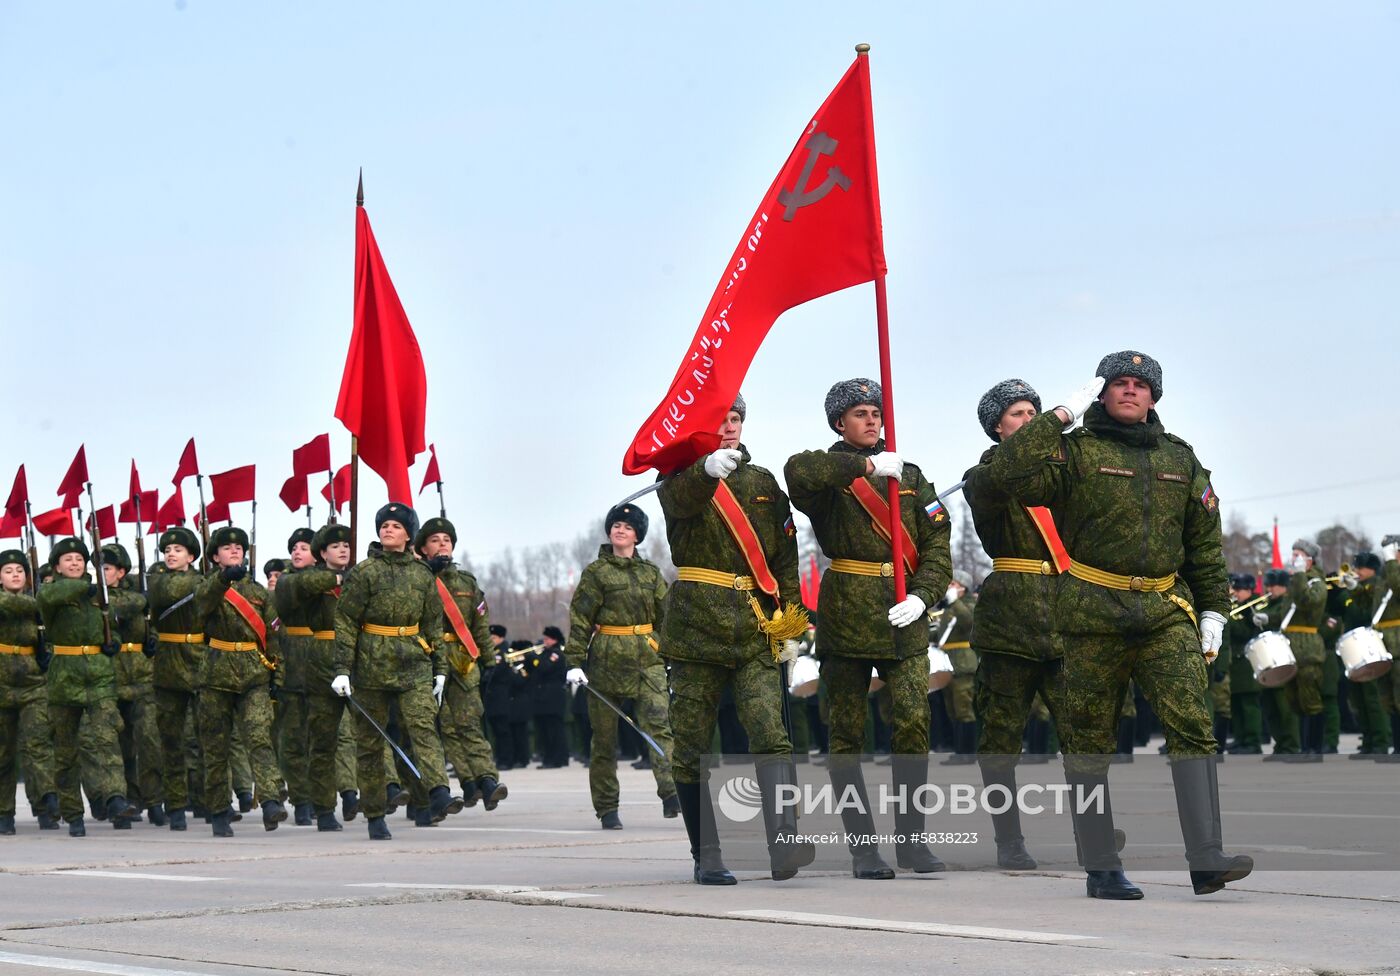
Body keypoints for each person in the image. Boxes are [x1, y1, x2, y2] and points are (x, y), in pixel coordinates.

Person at [992, 351, 1251, 899]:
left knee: (1192, 726)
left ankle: (1207, 859)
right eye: (1118, 384)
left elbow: (1204, 542)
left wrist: (1212, 611)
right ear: (1102, 393)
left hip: (1163, 611)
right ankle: (1102, 866)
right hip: (1092, 613)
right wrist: (1059, 416)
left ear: (1155, 396)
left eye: (1140, 385)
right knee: (1088, 741)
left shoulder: (1181, 458)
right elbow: (1008, 475)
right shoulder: (1075, 452)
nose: (1130, 391)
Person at [783, 378, 952, 878]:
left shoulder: (912, 474)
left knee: (913, 725)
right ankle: (863, 847)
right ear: (839, 423)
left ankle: (912, 840)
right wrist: (866, 466)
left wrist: (924, 595)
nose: (871, 420)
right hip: (848, 614)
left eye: (876, 412)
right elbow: (798, 470)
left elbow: (938, 544)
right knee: (847, 734)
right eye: (859, 413)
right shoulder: (830, 478)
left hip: (904, 615)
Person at [661, 394, 813, 885]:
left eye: (734, 419)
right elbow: (678, 502)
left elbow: (785, 559)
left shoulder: (763, 482)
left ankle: (784, 844)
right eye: (718, 420)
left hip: (753, 627)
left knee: (771, 734)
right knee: (690, 743)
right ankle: (706, 853)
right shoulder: (678, 476)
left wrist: (791, 625)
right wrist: (705, 471)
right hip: (695, 630)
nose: (728, 428)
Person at [963, 378, 1067, 868]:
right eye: (1018, 415)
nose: (1028, 421)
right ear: (996, 430)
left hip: (1068, 615)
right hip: (1011, 623)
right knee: (1002, 737)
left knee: (1085, 734)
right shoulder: (984, 475)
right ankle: (1009, 839)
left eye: (1033, 413)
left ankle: (1096, 831)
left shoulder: (1059, 475)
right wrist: (1053, 426)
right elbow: (1004, 477)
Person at [331, 503, 463, 840]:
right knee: (371, 744)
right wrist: (342, 669)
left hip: (412, 663)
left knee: (423, 728)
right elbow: (345, 621)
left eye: (395, 526)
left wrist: (441, 670)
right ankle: (375, 812)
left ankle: (438, 792)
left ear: (408, 534)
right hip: (371, 665)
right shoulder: (363, 573)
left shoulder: (422, 575)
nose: (388, 530)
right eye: (384, 525)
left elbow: (433, 623)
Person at [565, 502, 677, 829]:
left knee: (661, 728)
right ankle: (607, 808)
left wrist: (671, 658)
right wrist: (574, 661)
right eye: (615, 525)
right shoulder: (596, 573)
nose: (620, 530)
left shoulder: (650, 573)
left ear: (637, 536)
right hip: (606, 661)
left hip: (648, 659)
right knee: (604, 741)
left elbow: (666, 618)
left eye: (627, 527)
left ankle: (672, 794)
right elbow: (581, 618)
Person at [37, 537, 138, 836]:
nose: (75, 563)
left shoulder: (99, 594)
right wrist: (89, 587)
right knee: (66, 751)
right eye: (67, 560)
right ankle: (72, 812)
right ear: (56, 566)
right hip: (64, 678)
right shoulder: (53, 592)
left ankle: (116, 798)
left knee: (107, 739)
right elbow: (51, 597)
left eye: (79, 559)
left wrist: (113, 644)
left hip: (99, 676)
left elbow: (115, 627)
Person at [194, 526, 284, 836]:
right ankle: (219, 808)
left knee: (259, 738)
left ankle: (271, 800)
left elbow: (272, 635)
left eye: (238, 547)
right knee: (216, 746)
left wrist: (277, 674)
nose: (234, 551)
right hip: (216, 673)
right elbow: (202, 605)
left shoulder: (259, 591)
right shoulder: (207, 586)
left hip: (253, 672)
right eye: (226, 547)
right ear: (215, 556)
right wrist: (222, 579)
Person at [416, 516, 507, 816]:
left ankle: (488, 779)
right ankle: (468, 781)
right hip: (430, 658)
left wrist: (488, 659)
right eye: (434, 541)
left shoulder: (467, 581)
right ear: (423, 548)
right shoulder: (418, 579)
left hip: (465, 659)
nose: (442, 545)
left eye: (446, 540)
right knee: (445, 727)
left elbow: (480, 623)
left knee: (469, 723)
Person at [276, 522, 359, 831]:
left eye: (347, 545)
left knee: (356, 738)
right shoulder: (302, 582)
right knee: (313, 741)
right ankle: (315, 805)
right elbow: (293, 590)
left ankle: (360, 795)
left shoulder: (360, 578)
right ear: (321, 553)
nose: (343, 549)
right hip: (312, 666)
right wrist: (336, 577)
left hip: (356, 663)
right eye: (334, 546)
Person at [80, 543, 160, 828]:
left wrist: (154, 641)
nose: (101, 575)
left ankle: (152, 800)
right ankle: (121, 801)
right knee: (115, 745)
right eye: (98, 570)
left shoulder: (138, 599)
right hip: (108, 678)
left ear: (122, 572)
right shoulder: (91, 600)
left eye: (107, 569)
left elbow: (149, 622)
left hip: (140, 678)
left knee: (148, 741)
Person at [146, 527, 206, 831]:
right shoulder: (157, 582)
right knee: (171, 739)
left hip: (200, 661)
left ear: (191, 556)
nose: (171, 554)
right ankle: (177, 805)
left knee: (207, 738)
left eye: (178, 550)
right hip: (169, 665)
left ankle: (208, 799)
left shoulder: (204, 581)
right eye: (167, 550)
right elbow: (166, 594)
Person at [0, 550, 58, 834]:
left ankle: (47, 803)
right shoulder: (16, 603)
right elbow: (13, 606)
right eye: (8, 570)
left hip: (33, 683)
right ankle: (3, 813)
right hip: (1, 685)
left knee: (38, 745)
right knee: (3, 753)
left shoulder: (38, 606)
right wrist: (38, 602)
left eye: (20, 570)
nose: (14, 574)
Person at [273, 530, 315, 825]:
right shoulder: (283, 584)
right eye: (294, 548)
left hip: (322, 669)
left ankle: (328, 796)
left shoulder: (335, 582)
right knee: (293, 742)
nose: (297, 552)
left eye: (305, 547)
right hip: (290, 669)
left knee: (325, 741)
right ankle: (301, 800)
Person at [1283, 539, 1329, 757]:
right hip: (1291, 648)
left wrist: (1300, 575)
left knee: (1311, 699)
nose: (1294, 559)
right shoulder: (1296, 581)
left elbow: (1306, 602)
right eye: (1293, 554)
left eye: (1299, 555)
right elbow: (1287, 613)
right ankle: (1304, 748)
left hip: (1308, 649)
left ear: (1310, 560)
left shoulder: (1316, 582)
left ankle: (1314, 748)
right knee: (1295, 700)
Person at [938, 571, 978, 766]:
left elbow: (969, 622)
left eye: (954, 583)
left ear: (964, 586)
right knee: (952, 709)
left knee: (964, 708)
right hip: (947, 662)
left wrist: (955, 602)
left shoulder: (969, 604)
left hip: (963, 662)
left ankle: (968, 752)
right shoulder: (949, 607)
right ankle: (958, 749)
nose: (949, 587)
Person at [1225, 574, 1263, 754]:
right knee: (1236, 703)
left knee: (1249, 705)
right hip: (1236, 662)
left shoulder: (1254, 606)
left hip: (1247, 661)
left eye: (1239, 590)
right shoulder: (1237, 606)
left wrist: (1229, 621)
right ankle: (1240, 738)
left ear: (1249, 590)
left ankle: (1252, 741)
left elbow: (1247, 631)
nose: (1236, 593)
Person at [527, 627, 570, 768]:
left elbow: (545, 667)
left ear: (555, 639)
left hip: (553, 697)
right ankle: (550, 757)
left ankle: (555, 759)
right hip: (543, 697)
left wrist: (534, 657)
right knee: (545, 730)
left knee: (553, 730)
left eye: (547, 639)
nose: (544, 641)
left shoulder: (556, 654)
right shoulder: (545, 652)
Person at [482, 625, 516, 768]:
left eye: (494, 637)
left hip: (501, 696)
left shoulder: (502, 653)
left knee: (503, 730)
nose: (491, 640)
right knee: (496, 730)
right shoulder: (493, 652)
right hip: (492, 698)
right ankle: (500, 758)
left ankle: (507, 759)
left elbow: (494, 672)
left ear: (501, 638)